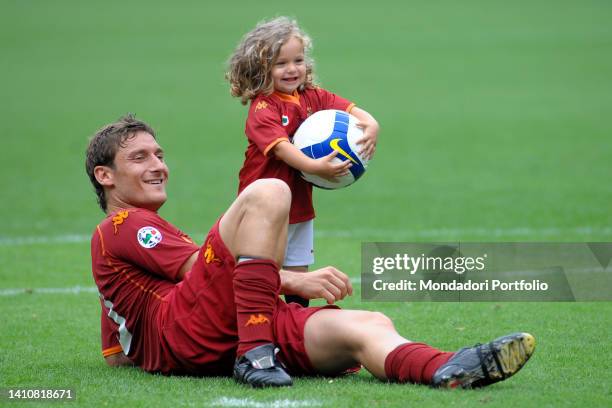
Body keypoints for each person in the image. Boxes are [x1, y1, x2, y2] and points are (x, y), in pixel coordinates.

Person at [86, 115, 535, 388]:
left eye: (159, 154)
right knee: (270, 191)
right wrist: (297, 279)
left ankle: (446, 367)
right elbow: (194, 270)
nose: (159, 165)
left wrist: (141, 353)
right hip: (196, 331)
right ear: (105, 177)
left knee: (366, 326)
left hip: (230, 327)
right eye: (140, 158)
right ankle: (257, 354)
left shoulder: (130, 237)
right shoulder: (121, 225)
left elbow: (118, 350)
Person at [226, 17, 380, 307]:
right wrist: (314, 167)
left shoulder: (312, 97)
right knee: (265, 269)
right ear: (261, 69)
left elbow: (352, 110)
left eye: (298, 60)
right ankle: (259, 327)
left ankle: (295, 325)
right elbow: (282, 149)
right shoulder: (263, 108)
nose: (292, 69)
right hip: (264, 208)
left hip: (298, 204)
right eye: (281, 63)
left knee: (298, 271)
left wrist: (371, 126)